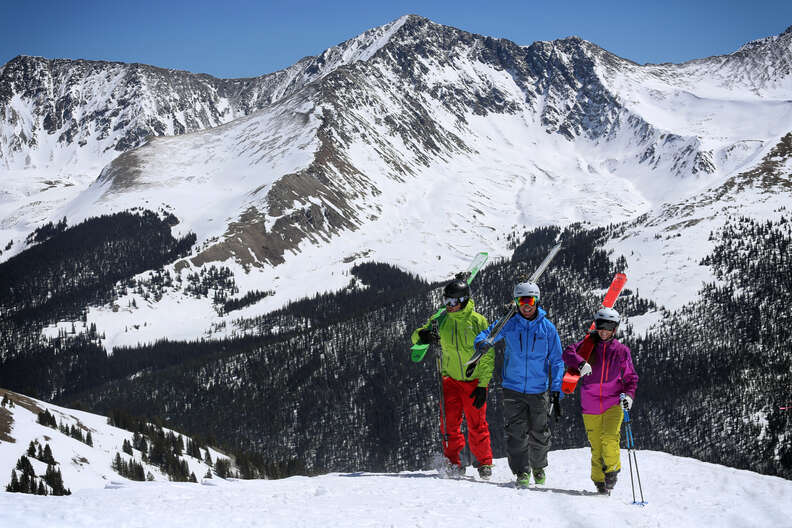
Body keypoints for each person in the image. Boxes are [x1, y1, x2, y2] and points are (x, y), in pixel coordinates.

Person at [474, 281, 564, 487]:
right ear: (516, 302)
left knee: (540, 432)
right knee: (516, 433)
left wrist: (557, 390)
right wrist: (482, 343)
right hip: (512, 387)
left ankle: (538, 466)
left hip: (538, 389)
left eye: (530, 300)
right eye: (522, 301)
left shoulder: (547, 328)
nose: (527, 305)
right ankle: (522, 472)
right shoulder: (509, 323)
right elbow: (486, 334)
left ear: (537, 301)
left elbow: (557, 361)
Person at [411, 278, 495, 479]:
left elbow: (487, 356)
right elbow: (416, 336)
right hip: (449, 380)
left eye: (453, 302)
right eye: (446, 302)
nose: (449, 306)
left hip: (473, 380)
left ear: (465, 300)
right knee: (449, 423)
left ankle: (484, 462)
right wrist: (423, 336)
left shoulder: (478, 321)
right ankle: (453, 462)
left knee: (477, 423)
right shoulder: (441, 320)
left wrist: (483, 385)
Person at [562, 307, 638, 494]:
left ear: (615, 329)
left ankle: (612, 471)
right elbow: (567, 353)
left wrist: (629, 396)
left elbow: (631, 377)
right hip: (590, 404)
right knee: (596, 445)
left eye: (609, 326)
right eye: (601, 325)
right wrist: (581, 363)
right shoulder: (587, 345)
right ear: (596, 326)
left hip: (614, 402)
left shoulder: (621, 351)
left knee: (610, 439)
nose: (604, 330)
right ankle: (599, 481)